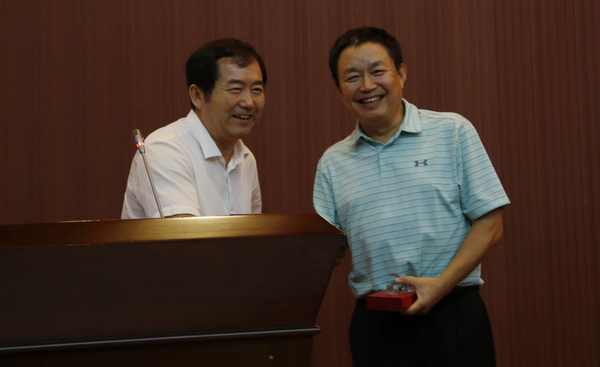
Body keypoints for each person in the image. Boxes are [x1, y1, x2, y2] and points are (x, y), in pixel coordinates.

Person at [313, 27, 510, 366]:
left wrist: (440, 286)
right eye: (352, 77)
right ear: (338, 90)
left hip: (454, 313)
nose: (367, 86)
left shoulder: (452, 131)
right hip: (378, 324)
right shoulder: (333, 162)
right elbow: (325, 249)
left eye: (377, 71)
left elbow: (491, 224)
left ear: (401, 73)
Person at [122, 38, 266, 218]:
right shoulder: (165, 149)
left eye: (256, 90)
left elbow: (253, 233)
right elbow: (184, 234)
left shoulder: (246, 159)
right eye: (236, 89)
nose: (249, 102)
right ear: (197, 95)